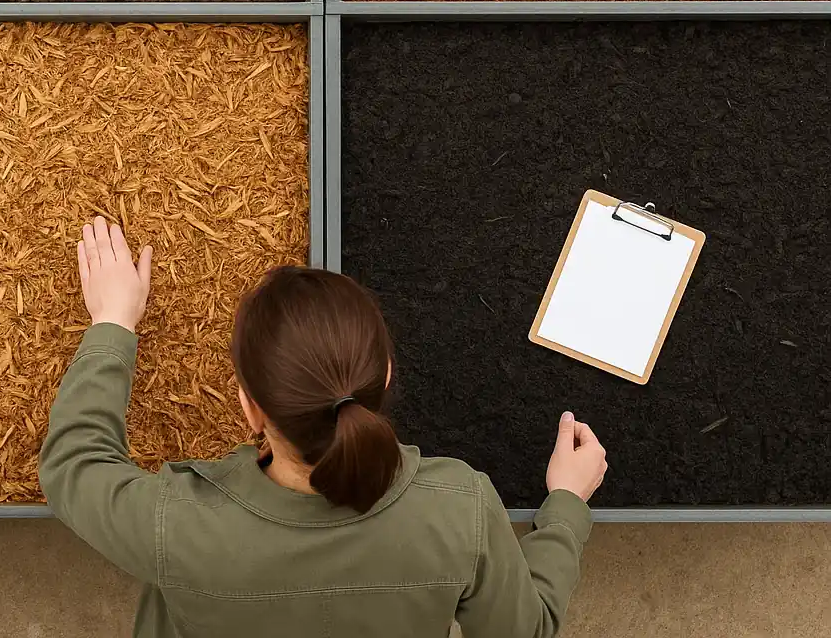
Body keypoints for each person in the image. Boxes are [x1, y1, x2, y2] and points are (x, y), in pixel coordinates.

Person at [40, 216, 607, 638]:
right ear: (385, 376)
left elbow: (74, 467)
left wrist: (113, 319)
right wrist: (563, 506)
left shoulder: (175, 522)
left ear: (249, 408)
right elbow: (525, 632)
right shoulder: (460, 509)